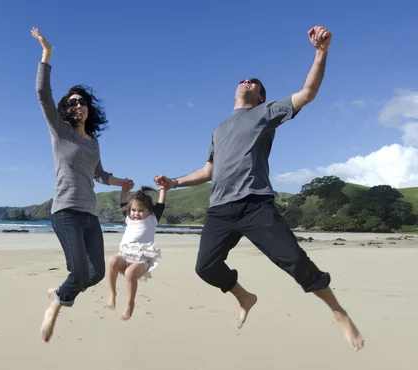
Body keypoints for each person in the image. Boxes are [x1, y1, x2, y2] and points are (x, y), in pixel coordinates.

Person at [154, 26, 364, 351]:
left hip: (255, 205)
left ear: (261, 96)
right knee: (205, 267)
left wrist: (320, 52)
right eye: (244, 79)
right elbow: (209, 170)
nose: (247, 82)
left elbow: (307, 93)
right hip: (220, 210)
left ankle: (339, 313)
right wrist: (175, 182)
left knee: (294, 260)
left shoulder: (266, 113)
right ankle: (245, 297)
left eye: (255, 83)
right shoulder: (219, 128)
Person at [31, 27, 135, 343]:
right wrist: (46, 55)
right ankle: (55, 307)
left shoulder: (93, 142)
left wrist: (121, 183)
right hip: (65, 211)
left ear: (89, 108)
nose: (78, 106)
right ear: (66, 107)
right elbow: (42, 94)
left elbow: (99, 175)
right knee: (78, 272)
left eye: (82, 102)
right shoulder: (60, 131)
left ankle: (60, 293)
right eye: (72, 102)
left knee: (97, 274)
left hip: (90, 215)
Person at [105, 183, 166, 320]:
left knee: (130, 273)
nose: (136, 214)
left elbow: (161, 204)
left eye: (140, 210)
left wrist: (162, 190)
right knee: (112, 260)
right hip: (125, 256)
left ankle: (129, 303)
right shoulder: (128, 219)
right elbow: (123, 203)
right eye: (133, 210)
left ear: (149, 211)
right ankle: (112, 293)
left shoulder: (152, 219)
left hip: (141, 260)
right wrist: (124, 190)